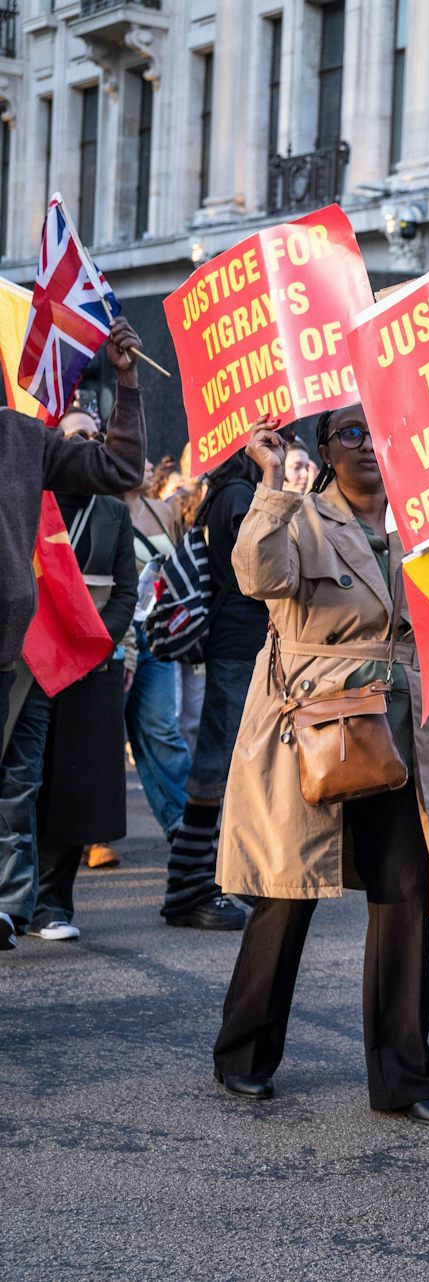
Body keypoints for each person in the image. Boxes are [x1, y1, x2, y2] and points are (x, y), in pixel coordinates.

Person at [210, 410, 429, 1128]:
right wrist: (270, 479)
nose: (367, 444)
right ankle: (244, 1054)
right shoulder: (298, 513)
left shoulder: (428, 534)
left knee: (405, 896)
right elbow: (256, 577)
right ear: (323, 449)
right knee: (287, 892)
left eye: (378, 428)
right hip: (310, 728)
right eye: (350, 432)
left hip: (397, 733)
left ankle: (404, 1077)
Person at [0, 319, 147, 951]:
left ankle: (10, 908)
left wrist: (127, 380)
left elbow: (120, 468)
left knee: (16, 781)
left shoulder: (22, 437)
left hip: (14, 653)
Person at [13, 461, 138, 941]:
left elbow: (126, 590)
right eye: (74, 436)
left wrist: (96, 644)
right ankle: (13, 902)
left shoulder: (111, 511)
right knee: (23, 781)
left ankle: (52, 905)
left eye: (94, 438)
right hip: (30, 662)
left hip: (88, 666)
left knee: (72, 786)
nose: (85, 447)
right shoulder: (27, 501)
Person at [162, 439, 272, 931]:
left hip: (232, 642)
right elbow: (262, 564)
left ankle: (211, 881)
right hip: (238, 644)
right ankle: (189, 890)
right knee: (216, 765)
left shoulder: (223, 493)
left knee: (227, 763)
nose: (281, 445)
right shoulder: (238, 497)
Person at [122, 457, 192, 848]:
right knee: (104, 738)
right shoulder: (102, 508)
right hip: (116, 635)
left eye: (146, 454)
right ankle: (88, 835)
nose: (145, 463)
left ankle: (185, 825)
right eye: (135, 452)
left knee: (162, 729)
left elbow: (179, 567)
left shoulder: (163, 511)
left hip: (157, 634)